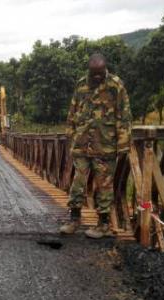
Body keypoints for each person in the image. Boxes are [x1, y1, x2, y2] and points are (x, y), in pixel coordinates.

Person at [59, 53, 131, 238]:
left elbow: (124, 117)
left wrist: (123, 145)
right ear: (89, 70)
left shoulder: (116, 85)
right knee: (78, 182)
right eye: (94, 74)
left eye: (100, 73)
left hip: (105, 144)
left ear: (105, 69)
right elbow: (72, 111)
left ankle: (103, 224)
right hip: (82, 143)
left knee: (104, 185)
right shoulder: (81, 84)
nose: (97, 77)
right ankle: (74, 219)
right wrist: (70, 136)